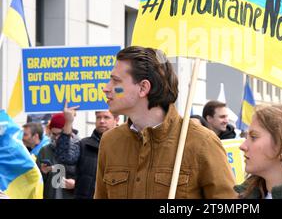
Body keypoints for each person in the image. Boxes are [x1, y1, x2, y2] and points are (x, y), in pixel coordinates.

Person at [95, 46, 236, 199]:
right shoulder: (110, 141)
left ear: (143, 87)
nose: (106, 88)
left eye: (116, 81)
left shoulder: (201, 142)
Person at [55, 104, 119, 199]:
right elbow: (64, 157)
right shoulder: (84, 144)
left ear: (116, 120)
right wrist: (68, 122)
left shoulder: (124, 145)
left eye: (106, 117)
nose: (101, 121)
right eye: (98, 117)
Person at [36, 113, 78, 199]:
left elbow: (90, 178)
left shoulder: (80, 147)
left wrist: (76, 184)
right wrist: (43, 173)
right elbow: (36, 181)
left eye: (60, 134)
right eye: (54, 134)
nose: (57, 138)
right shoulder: (44, 151)